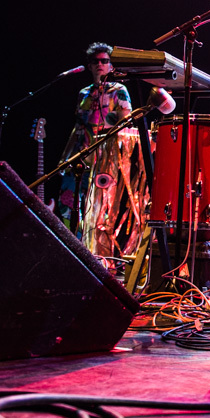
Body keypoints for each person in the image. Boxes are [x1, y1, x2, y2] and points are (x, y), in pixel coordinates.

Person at [57, 43, 138, 262]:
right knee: (67, 206)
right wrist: (65, 157)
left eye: (104, 61)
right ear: (90, 66)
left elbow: (126, 123)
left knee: (100, 214)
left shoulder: (118, 90)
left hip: (105, 161)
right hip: (80, 158)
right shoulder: (84, 93)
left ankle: (97, 261)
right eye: (96, 61)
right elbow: (77, 127)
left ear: (111, 66)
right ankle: (70, 251)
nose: (100, 65)